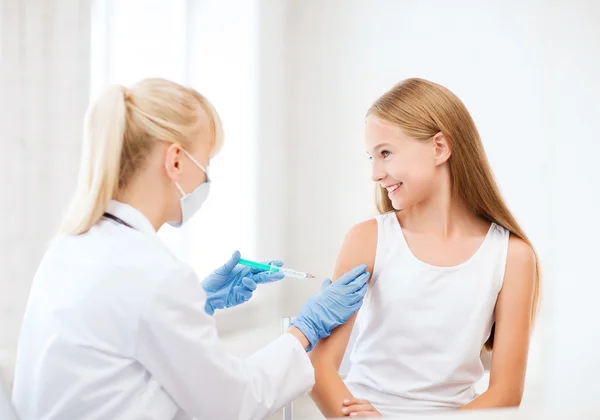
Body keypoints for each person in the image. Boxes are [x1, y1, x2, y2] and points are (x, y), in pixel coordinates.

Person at [11, 78, 370, 420]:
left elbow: (125, 344)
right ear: (176, 160)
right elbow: (234, 403)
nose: (207, 178)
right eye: (207, 162)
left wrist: (198, 302)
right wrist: (305, 329)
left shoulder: (71, 246)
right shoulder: (154, 273)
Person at [309, 78, 540, 417]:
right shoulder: (368, 239)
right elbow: (319, 368)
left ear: (440, 148)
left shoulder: (513, 256)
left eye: (385, 153)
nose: (375, 173)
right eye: (371, 157)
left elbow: (506, 393)